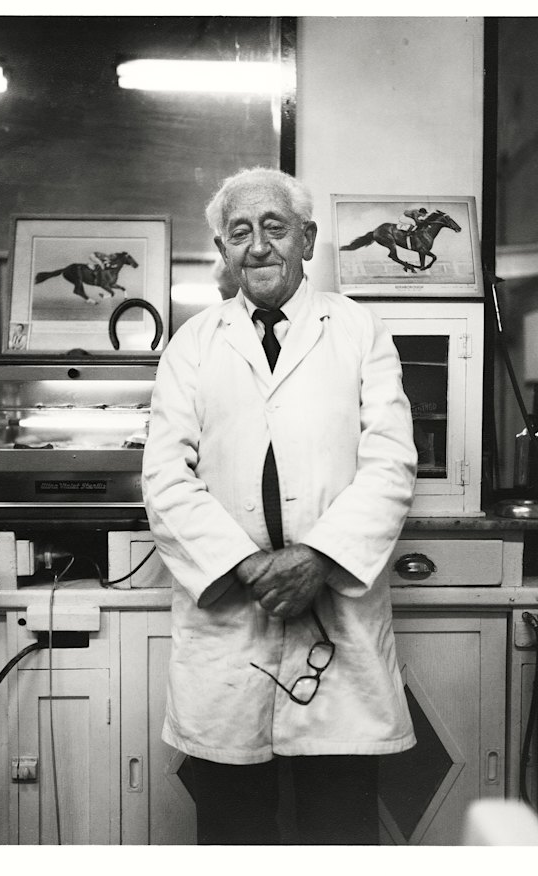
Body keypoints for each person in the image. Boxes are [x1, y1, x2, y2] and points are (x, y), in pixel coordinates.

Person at [142, 167, 418, 846]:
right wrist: (247, 567)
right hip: (232, 620)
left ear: (308, 238)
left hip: (335, 616)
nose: (258, 246)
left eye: (275, 227)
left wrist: (318, 559)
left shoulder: (358, 331)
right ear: (224, 250)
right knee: (233, 831)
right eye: (240, 232)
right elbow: (164, 478)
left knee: (340, 827)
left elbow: (391, 462)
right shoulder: (192, 345)